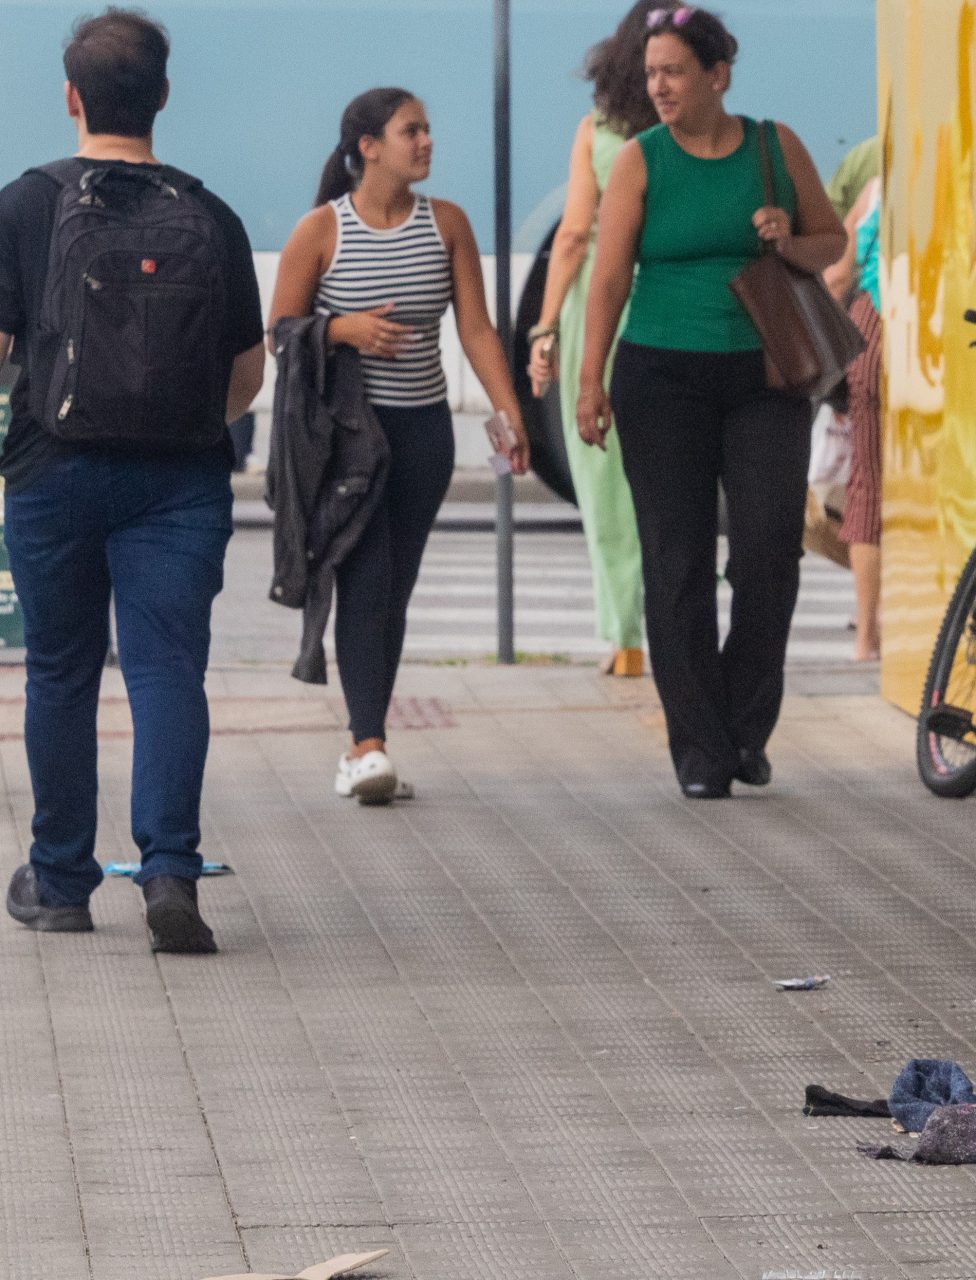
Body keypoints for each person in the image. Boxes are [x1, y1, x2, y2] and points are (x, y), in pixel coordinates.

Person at [0, 8, 265, 952]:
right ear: (162, 94)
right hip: (179, 483)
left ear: (71, 97)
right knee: (165, 671)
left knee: (62, 672)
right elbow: (246, 377)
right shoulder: (211, 213)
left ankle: (63, 881)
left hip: (53, 473)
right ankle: (169, 875)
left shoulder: (26, 204)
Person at [576, 4, 846, 798]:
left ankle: (744, 726)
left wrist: (787, 238)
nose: (657, 86)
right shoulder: (639, 160)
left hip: (765, 375)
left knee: (769, 555)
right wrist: (590, 380)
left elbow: (830, 238)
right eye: (650, 73)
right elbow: (610, 277)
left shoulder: (773, 145)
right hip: (660, 377)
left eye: (673, 72)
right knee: (677, 562)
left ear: (717, 75)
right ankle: (702, 751)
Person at [270, 88, 531, 805]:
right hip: (349, 441)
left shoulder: (445, 223)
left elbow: (477, 329)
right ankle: (367, 744)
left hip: (424, 435)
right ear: (368, 146)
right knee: (368, 579)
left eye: (427, 129)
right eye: (410, 130)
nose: (427, 142)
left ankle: (366, 737)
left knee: (396, 588)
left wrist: (510, 414)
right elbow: (280, 333)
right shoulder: (321, 231)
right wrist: (341, 330)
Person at [530, 0, 661, 681]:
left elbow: (574, 237)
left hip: (604, 313)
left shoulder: (600, 131)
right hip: (670, 304)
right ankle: (672, 622)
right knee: (670, 473)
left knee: (605, 479)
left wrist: (547, 327)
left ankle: (626, 637)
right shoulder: (689, 128)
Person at [820, 136, 884, 663]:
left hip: (873, 334)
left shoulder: (877, 186)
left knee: (867, 483)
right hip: (932, 341)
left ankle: (867, 636)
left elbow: (839, 272)